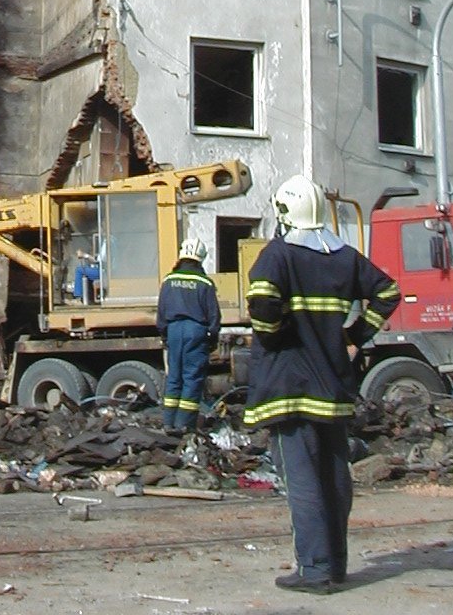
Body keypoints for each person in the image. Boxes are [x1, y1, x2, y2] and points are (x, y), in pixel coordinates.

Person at [244, 174, 400, 595]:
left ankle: (313, 570)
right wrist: (354, 335)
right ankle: (336, 564)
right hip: (332, 385)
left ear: (283, 212)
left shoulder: (277, 255)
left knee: (303, 480)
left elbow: (262, 304)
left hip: (289, 386)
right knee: (334, 475)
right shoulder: (345, 256)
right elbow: (389, 290)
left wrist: (274, 334)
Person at [157, 237, 220, 435]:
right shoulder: (205, 282)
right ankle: (185, 424)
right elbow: (214, 315)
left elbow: (161, 311)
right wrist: (212, 339)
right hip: (196, 331)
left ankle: (168, 423)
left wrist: (165, 336)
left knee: (174, 377)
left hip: (174, 330)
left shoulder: (169, 280)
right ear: (200, 258)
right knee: (192, 378)